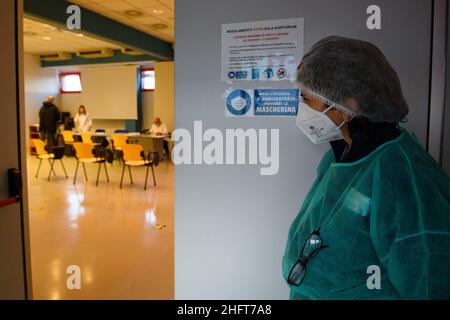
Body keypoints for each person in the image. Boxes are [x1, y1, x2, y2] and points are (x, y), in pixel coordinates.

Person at [282, 36, 450, 300]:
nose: (300, 108)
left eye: (307, 98)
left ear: (348, 105)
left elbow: (429, 281)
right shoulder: (339, 159)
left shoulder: (403, 174)